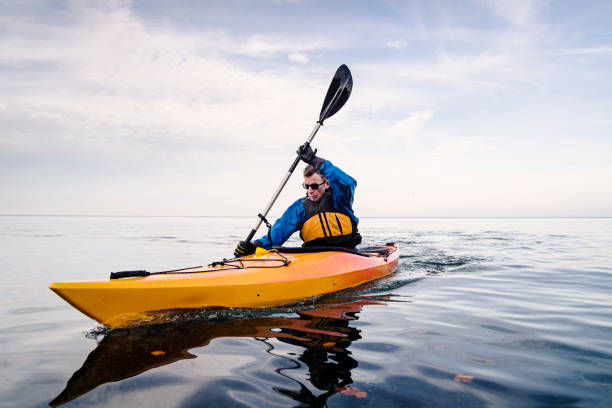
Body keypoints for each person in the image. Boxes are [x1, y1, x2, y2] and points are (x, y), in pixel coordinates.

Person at [234, 143, 362, 257]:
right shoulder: (299, 208)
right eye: (306, 186)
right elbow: (278, 233)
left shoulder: (340, 199)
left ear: (327, 184)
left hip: (347, 253)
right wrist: (254, 246)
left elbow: (348, 182)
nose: (310, 190)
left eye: (314, 186)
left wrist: (315, 160)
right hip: (314, 256)